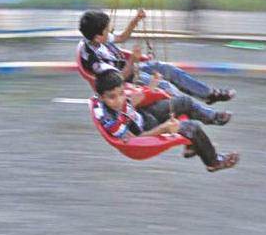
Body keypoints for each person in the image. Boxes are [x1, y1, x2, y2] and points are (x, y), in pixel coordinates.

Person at [92, 70, 238, 172]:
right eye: (112, 97)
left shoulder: (115, 100)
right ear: (101, 97)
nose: (119, 100)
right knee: (192, 127)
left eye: (121, 93)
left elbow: (130, 103)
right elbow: (135, 140)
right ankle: (213, 162)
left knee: (184, 102)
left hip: (143, 115)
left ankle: (209, 121)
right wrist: (165, 128)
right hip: (146, 133)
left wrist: (150, 88)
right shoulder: (111, 122)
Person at [78, 9, 235, 103]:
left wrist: (135, 21)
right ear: (98, 37)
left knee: (167, 69)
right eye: (107, 30)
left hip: (130, 68)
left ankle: (208, 94)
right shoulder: (94, 60)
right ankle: (190, 109)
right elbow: (118, 79)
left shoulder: (97, 38)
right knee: (165, 86)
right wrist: (133, 59)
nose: (110, 31)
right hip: (125, 79)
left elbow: (121, 38)